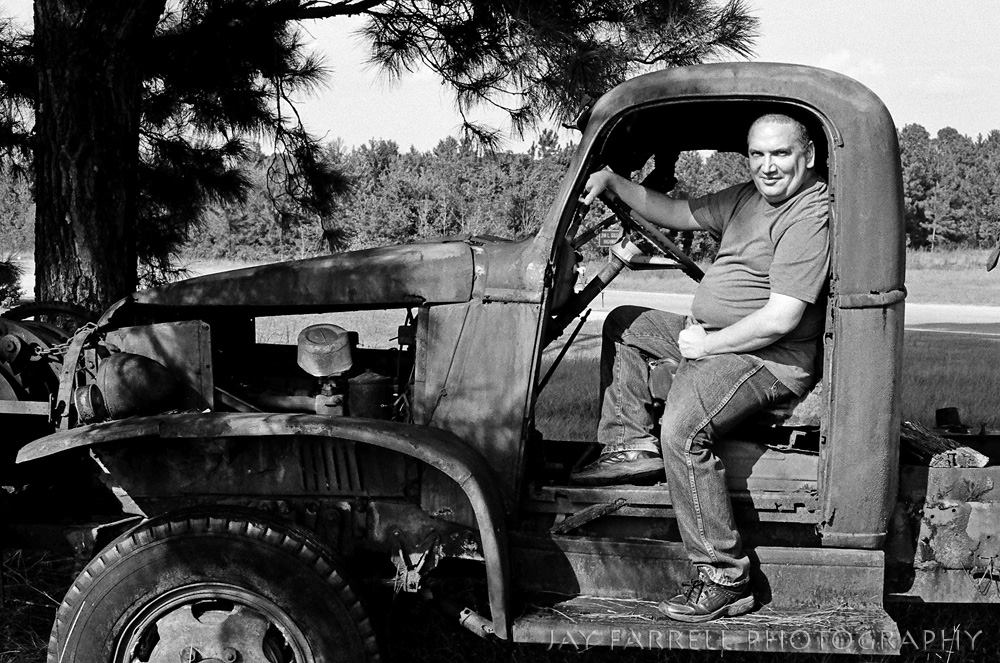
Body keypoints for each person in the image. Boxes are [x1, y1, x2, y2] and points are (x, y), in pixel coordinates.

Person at [570, 113, 830, 622]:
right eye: (758, 154)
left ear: (808, 156)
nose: (767, 166)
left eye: (780, 154)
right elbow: (676, 211)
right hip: (715, 338)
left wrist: (706, 346)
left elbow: (781, 318)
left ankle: (724, 576)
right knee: (626, 323)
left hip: (766, 357)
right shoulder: (747, 198)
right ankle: (629, 446)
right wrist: (613, 183)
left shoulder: (808, 213)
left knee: (684, 431)